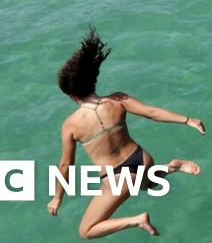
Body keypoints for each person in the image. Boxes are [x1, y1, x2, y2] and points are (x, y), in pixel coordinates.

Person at [47, 27, 204, 238]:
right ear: (93, 81)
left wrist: (58, 197)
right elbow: (151, 113)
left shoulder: (71, 124)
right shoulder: (117, 100)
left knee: (86, 230)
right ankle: (172, 167)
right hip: (141, 158)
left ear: (71, 94)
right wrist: (187, 120)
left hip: (118, 177)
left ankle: (136, 220)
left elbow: (66, 165)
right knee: (146, 183)